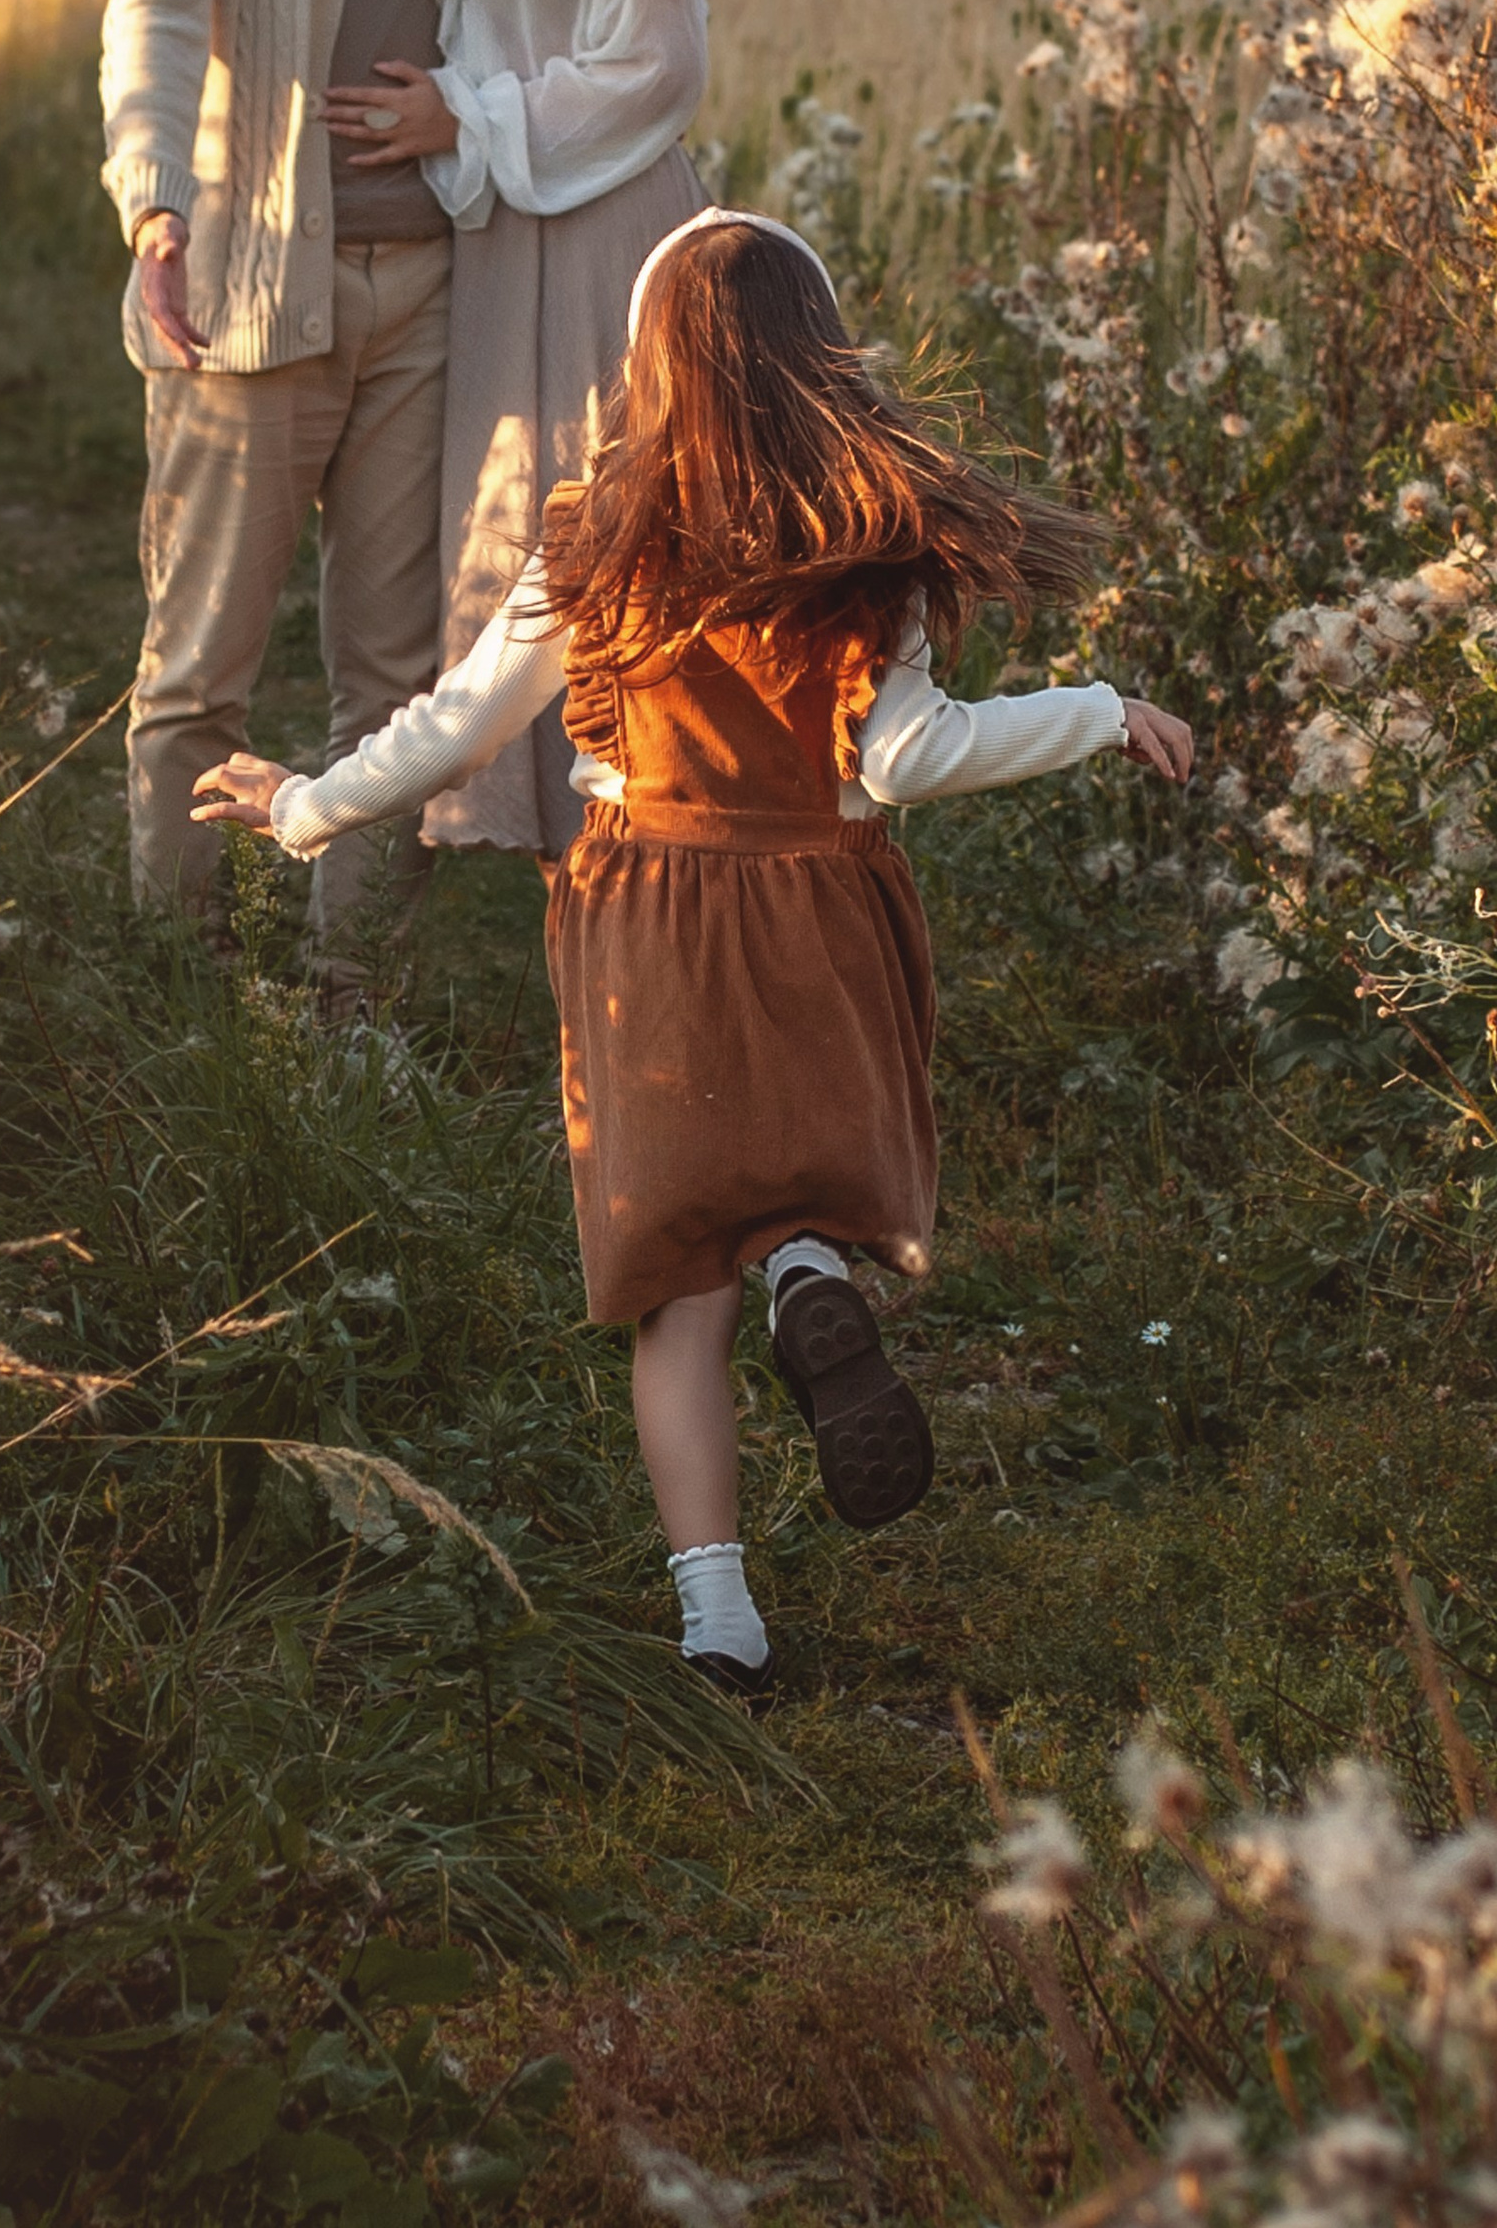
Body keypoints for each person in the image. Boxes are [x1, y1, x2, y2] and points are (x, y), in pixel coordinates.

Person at [192, 210, 1194, 1705]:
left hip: (644, 918)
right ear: (821, 358)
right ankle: (804, 1264)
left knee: (677, 1285)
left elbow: (457, 725)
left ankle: (718, 1620)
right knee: (789, 1176)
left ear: (648, 366)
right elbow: (912, 760)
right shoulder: (868, 548)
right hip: (818, 912)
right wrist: (1101, 710)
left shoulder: (597, 538)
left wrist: (303, 808)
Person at [99, 0, 493, 939]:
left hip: (430, 289)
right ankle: (175, 982)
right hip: (250, 281)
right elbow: (150, 8)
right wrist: (153, 202)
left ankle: (353, 1010)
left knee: (395, 677)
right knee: (202, 667)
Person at [321, 0, 716, 854]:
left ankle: (641, 837)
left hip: (605, 232)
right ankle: (572, 849)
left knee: (609, 528)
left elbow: (657, 66)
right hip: (516, 235)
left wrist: (462, 116)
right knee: (532, 524)